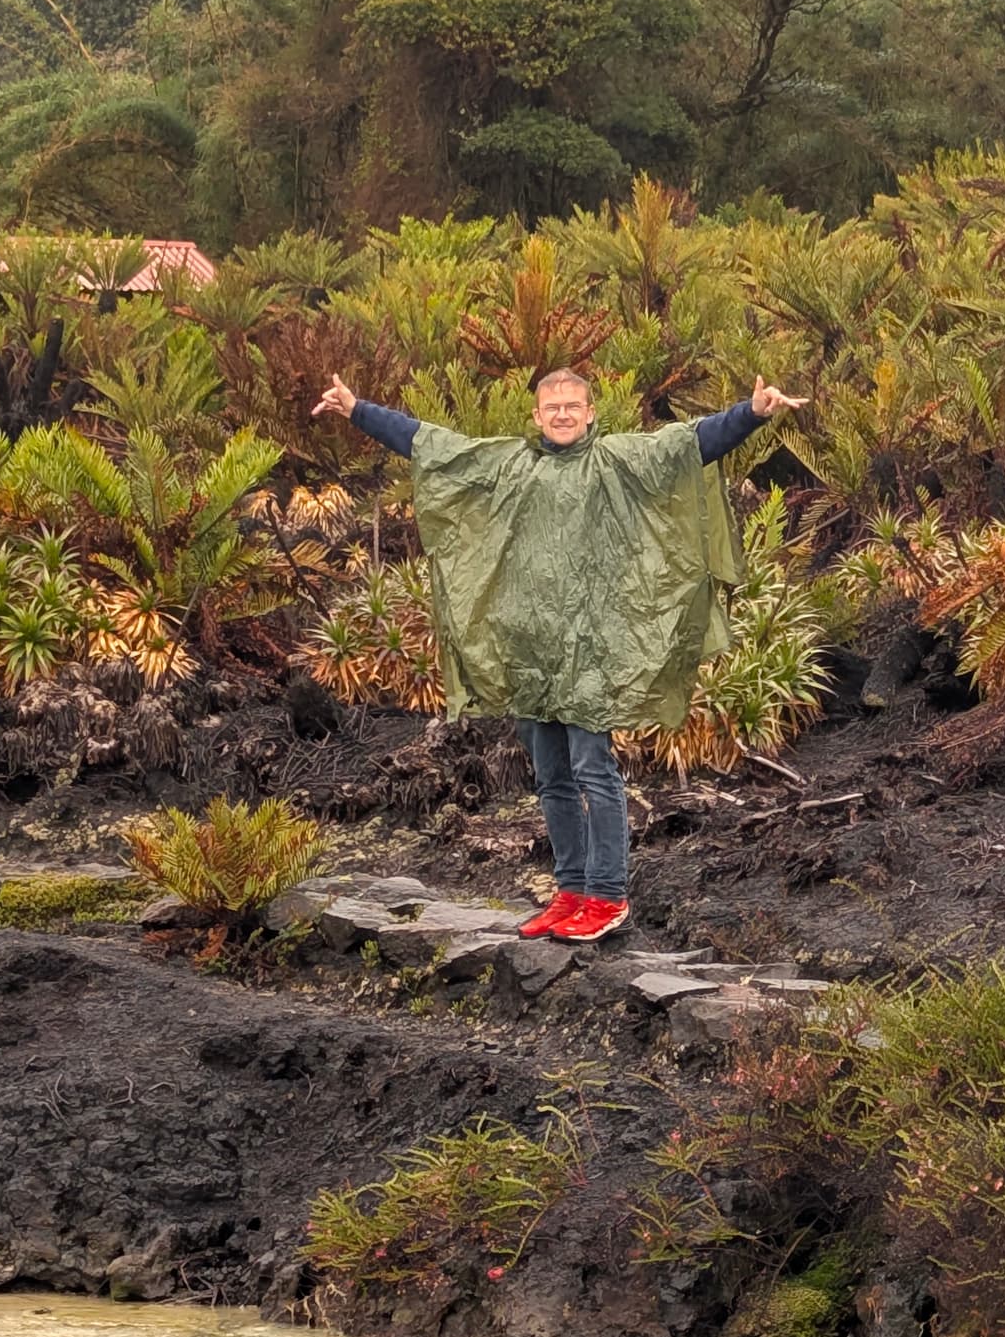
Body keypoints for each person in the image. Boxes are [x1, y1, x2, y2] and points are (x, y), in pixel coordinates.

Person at [316, 364, 802, 941]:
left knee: (594, 770)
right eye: (554, 406)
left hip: (589, 654)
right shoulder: (509, 464)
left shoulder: (616, 462)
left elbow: (688, 444)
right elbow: (431, 443)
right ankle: (571, 890)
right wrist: (357, 409)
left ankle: (608, 894)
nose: (564, 414)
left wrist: (750, 415)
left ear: (591, 412)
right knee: (551, 777)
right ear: (537, 415)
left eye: (574, 405)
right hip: (531, 653)